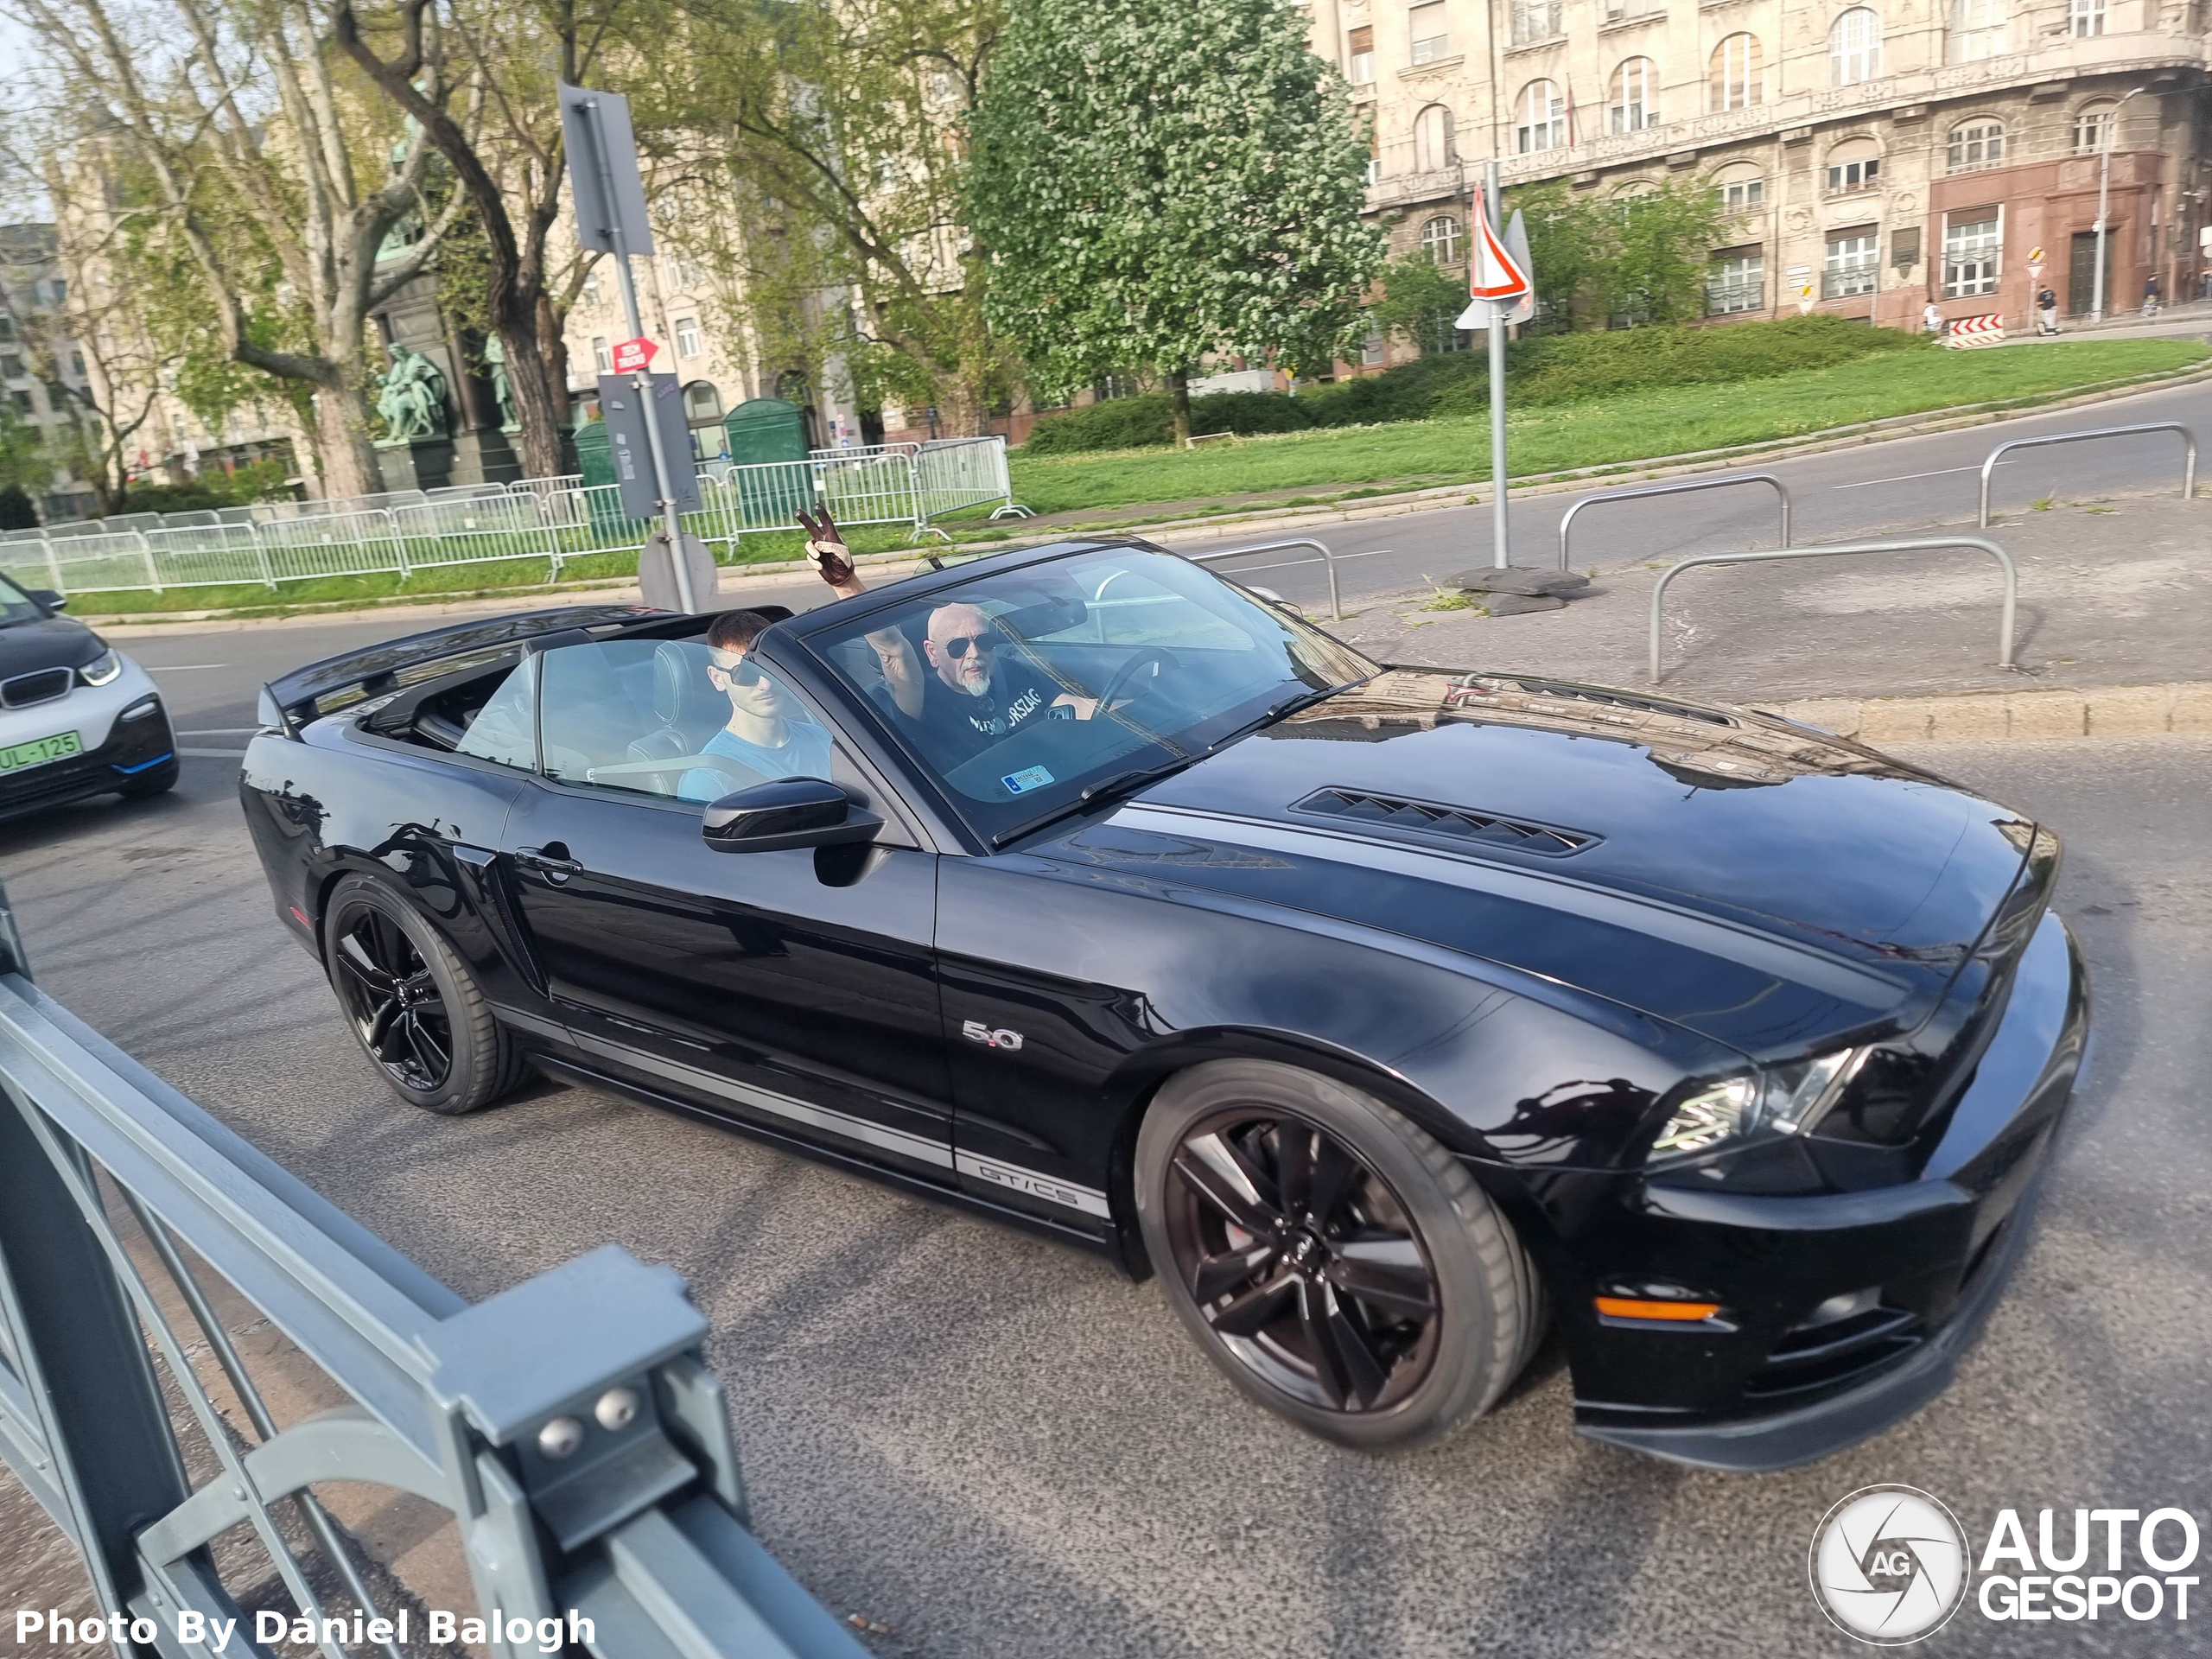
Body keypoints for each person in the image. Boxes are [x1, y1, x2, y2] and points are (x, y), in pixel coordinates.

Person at [791, 505, 1096, 768]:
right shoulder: (923, 699)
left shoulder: (1015, 672)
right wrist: (847, 584)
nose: (974, 653)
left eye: (984, 641)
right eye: (958, 646)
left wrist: (1139, 716)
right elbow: (892, 648)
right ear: (932, 652)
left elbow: (1083, 708)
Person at [675, 608, 834, 803]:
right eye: (745, 673)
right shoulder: (708, 779)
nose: (765, 685)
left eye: (770, 669)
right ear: (717, 678)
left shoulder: (825, 740)